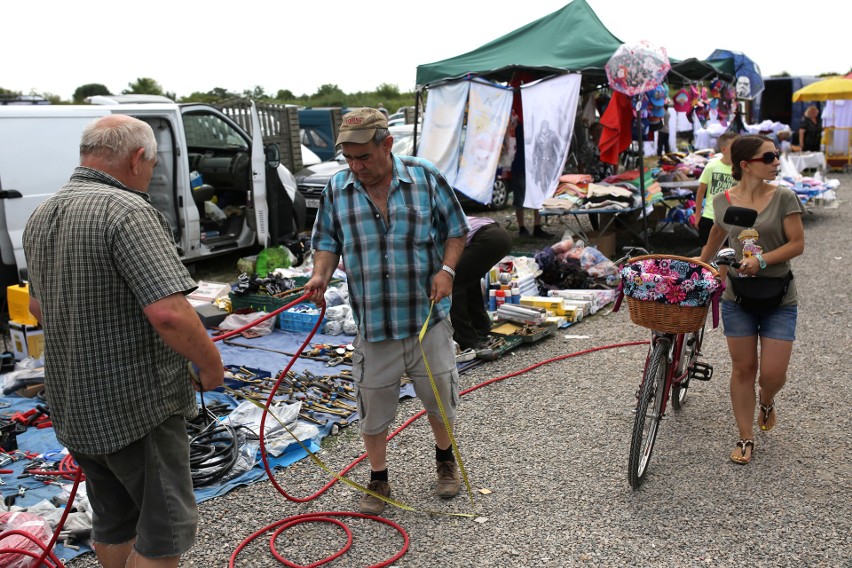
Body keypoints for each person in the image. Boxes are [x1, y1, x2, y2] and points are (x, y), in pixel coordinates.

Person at [22, 115, 224, 567]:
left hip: (73, 404)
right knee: (164, 532)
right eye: (152, 166)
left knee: (114, 521)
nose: (150, 175)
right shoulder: (128, 211)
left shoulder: (41, 214)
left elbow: (38, 310)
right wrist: (211, 366)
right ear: (137, 158)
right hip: (137, 409)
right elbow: (168, 313)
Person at [304, 108, 469, 515]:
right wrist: (320, 274)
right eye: (350, 159)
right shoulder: (338, 189)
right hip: (374, 323)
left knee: (439, 399)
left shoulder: (425, 177)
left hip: (425, 318)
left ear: (387, 145)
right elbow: (326, 240)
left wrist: (447, 270)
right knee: (372, 407)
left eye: (365, 157)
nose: (357, 167)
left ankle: (444, 459)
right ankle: (379, 479)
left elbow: (456, 229)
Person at [698, 134, 805, 466]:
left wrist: (762, 260)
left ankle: (767, 398)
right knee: (743, 368)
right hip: (738, 297)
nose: (777, 162)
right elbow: (718, 234)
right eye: (769, 157)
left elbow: (797, 244)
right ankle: (745, 437)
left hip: (779, 296)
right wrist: (702, 268)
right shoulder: (723, 200)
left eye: (776, 156)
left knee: (773, 374)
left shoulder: (784, 196)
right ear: (745, 165)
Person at [451, 217, 512, 350]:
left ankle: (466, 340)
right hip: (500, 235)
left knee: (453, 282)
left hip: (488, 238)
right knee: (470, 281)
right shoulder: (451, 217)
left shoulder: (433, 230)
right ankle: (482, 326)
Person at [693, 132, 739, 246]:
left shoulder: (740, 170)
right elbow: (700, 191)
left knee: (725, 254)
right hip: (709, 216)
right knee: (706, 252)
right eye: (735, 146)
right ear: (724, 150)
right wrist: (697, 215)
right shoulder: (712, 166)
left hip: (731, 219)